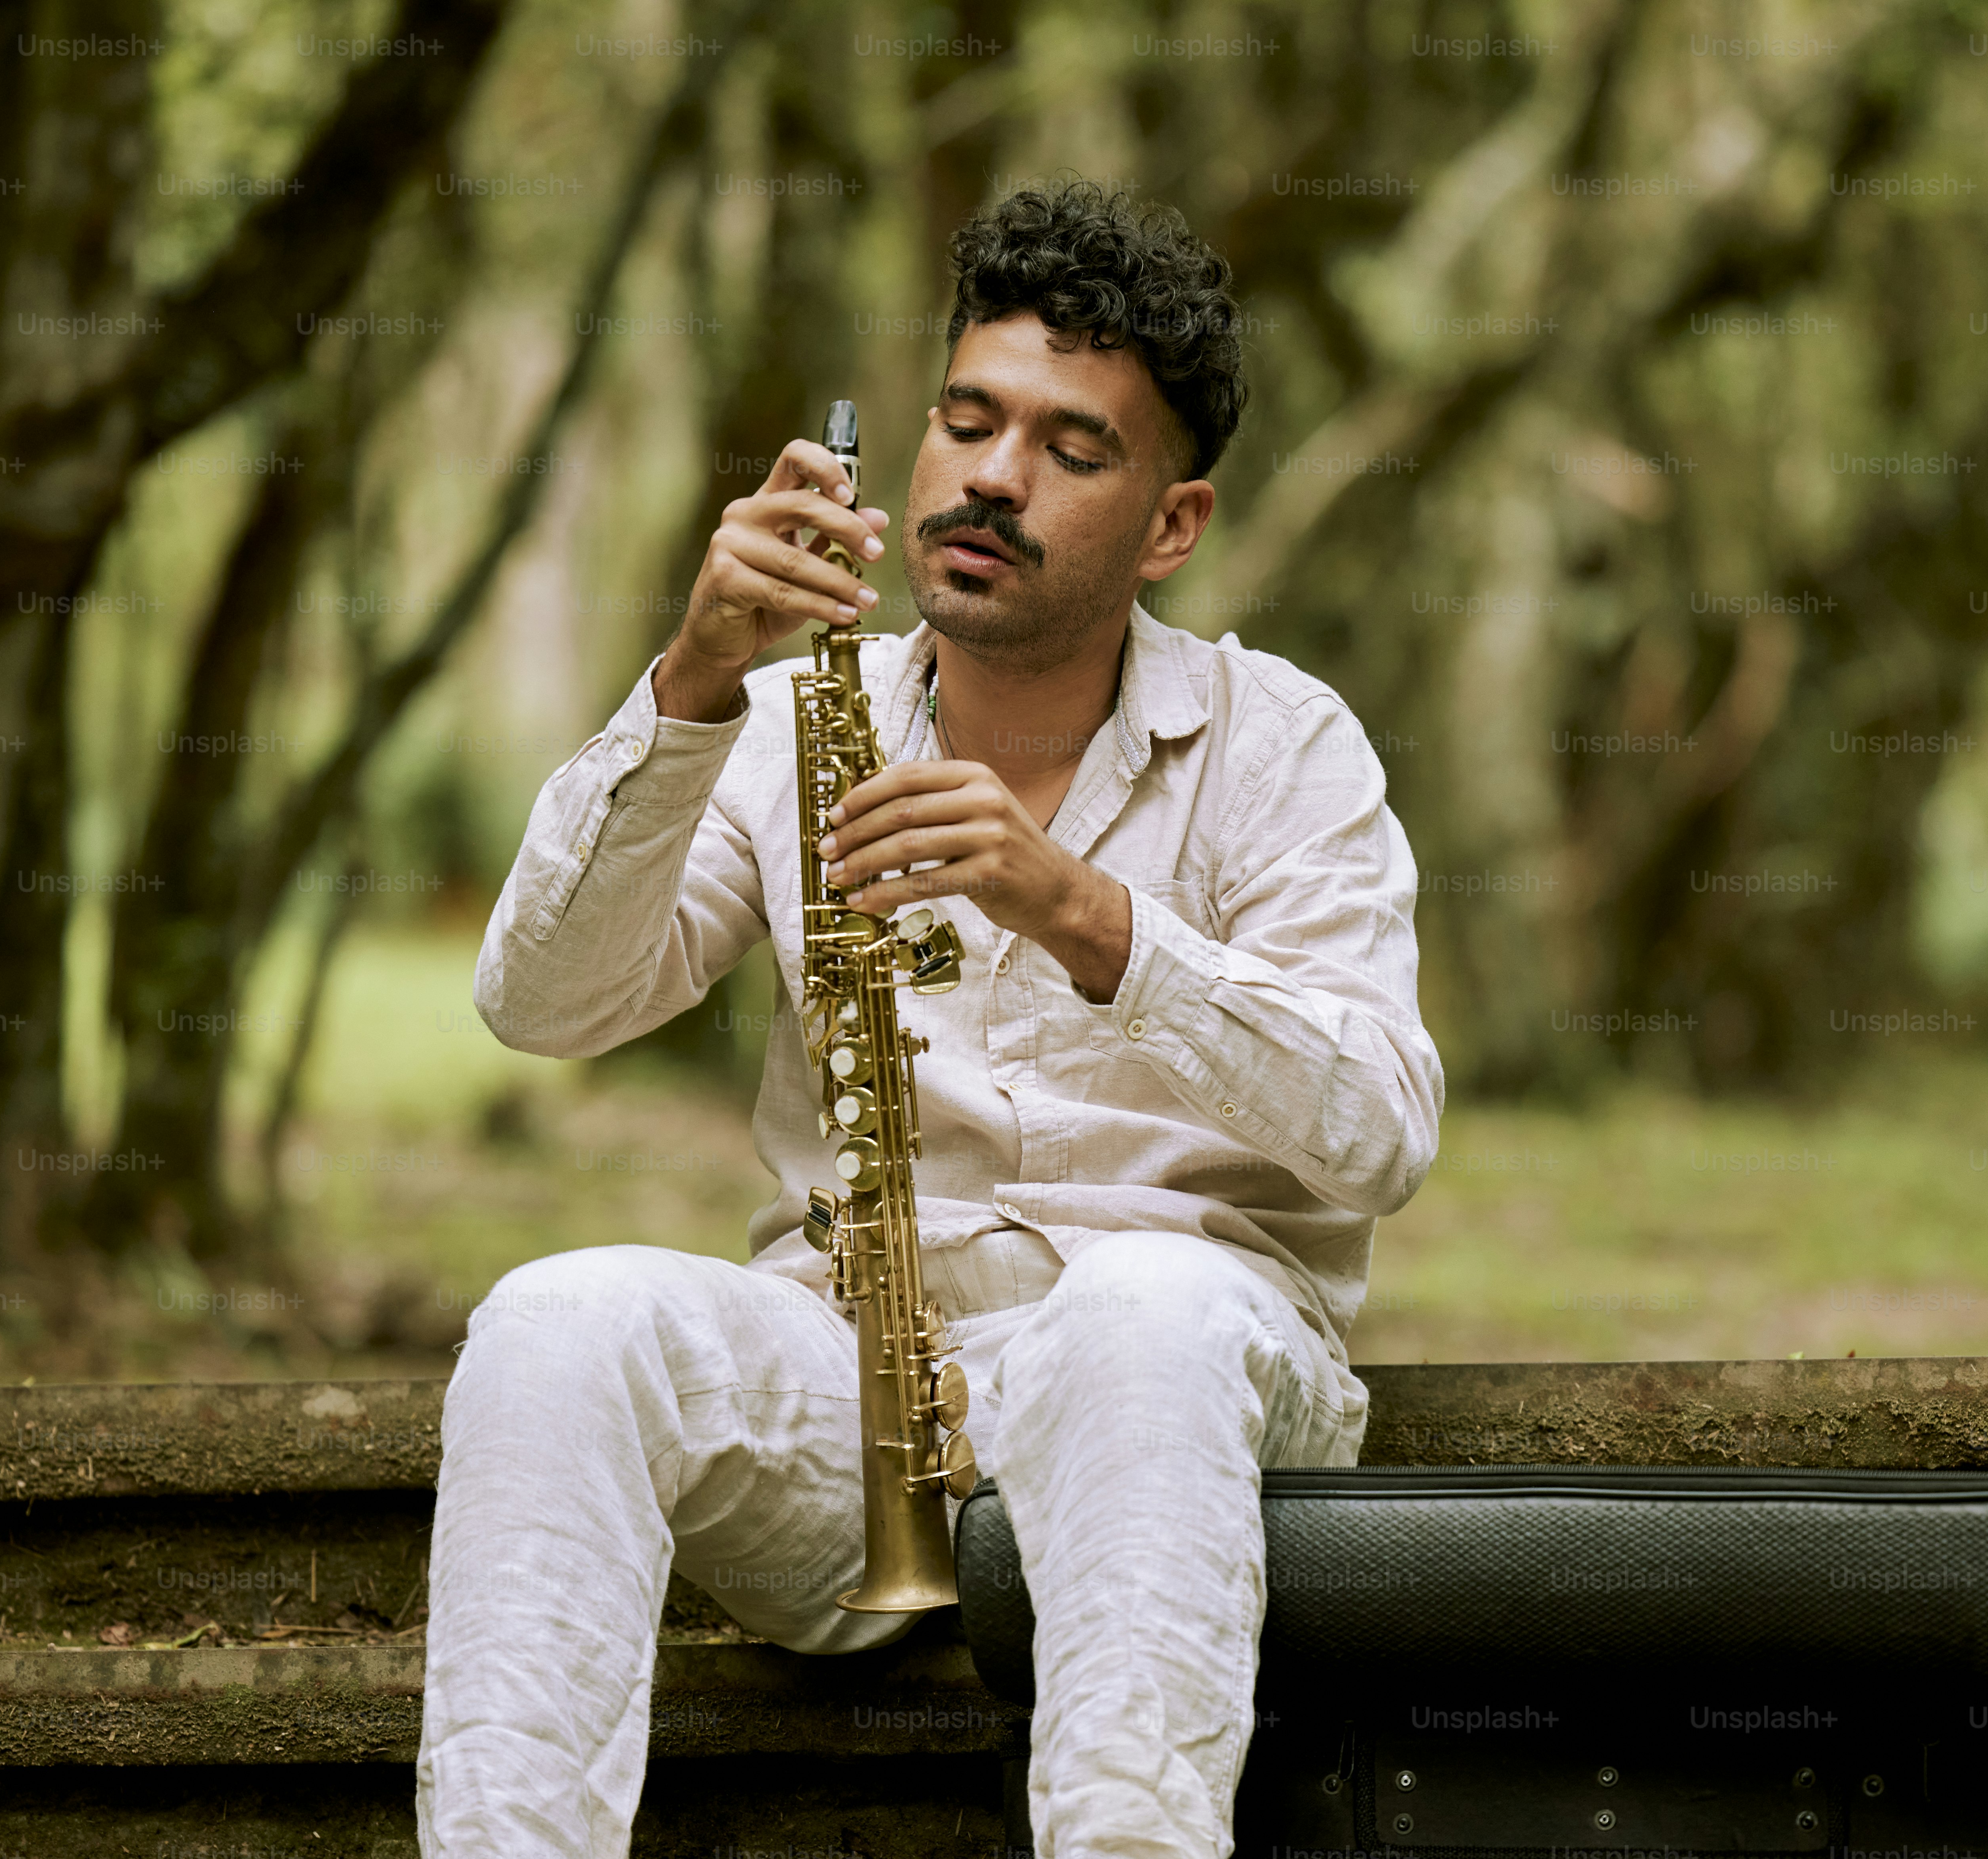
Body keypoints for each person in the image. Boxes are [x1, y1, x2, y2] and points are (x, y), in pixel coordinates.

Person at [417, 178, 1442, 1859]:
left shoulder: (1287, 746)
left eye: (1067, 448)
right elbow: (542, 1000)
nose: (991, 475)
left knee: (1142, 1311)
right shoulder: (784, 716)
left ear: (1171, 525)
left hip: (1167, 1410)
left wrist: (1083, 911)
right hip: (850, 1396)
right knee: (557, 1320)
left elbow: (1381, 1126)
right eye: (967, 422)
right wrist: (685, 687)